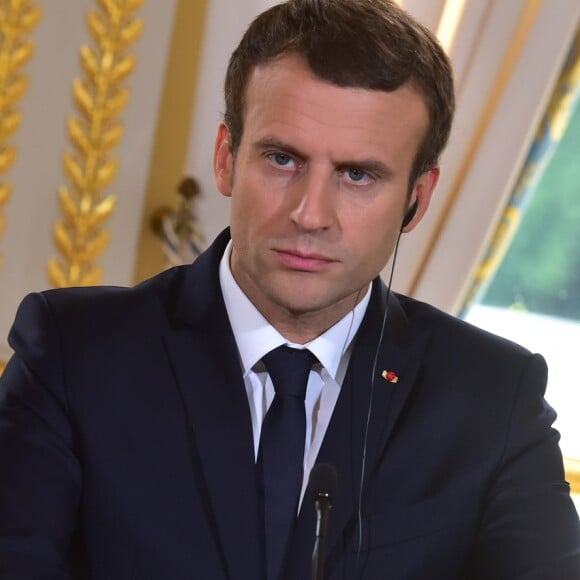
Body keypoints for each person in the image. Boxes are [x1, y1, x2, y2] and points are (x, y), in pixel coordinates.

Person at [0, 0, 578, 578]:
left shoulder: (495, 398)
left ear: (417, 200)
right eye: (282, 159)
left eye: (358, 175)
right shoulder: (73, 354)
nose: (310, 213)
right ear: (227, 158)